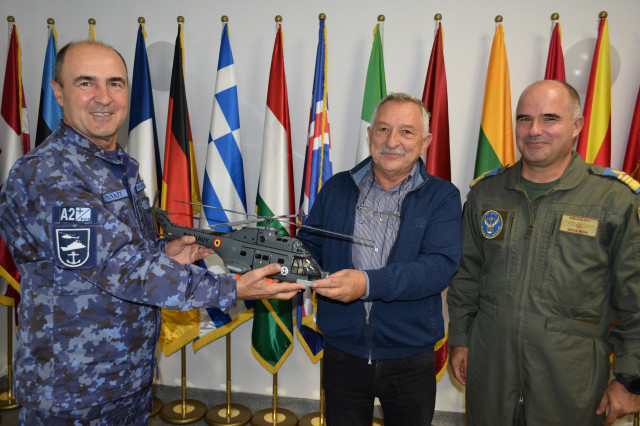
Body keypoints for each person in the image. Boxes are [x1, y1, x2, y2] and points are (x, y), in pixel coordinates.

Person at [0, 41, 304, 425]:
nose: (103, 97)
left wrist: (166, 252)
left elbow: (128, 250)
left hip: (128, 379)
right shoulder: (49, 174)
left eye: (115, 83)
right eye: (86, 83)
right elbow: (120, 267)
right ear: (58, 92)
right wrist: (233, 289)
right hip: (71, 391)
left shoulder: (120, 167)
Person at [447, 79, 640, 426]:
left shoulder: (613, 200)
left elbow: (635, 297)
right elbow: (466, 277)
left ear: (577, 125)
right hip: (491, 371)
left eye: (550, 118)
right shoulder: (486, 193)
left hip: (570, 380)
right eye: (524, 119)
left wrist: (629, 380)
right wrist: (460, 339)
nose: (534, 130)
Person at [297, 92, 462, 426]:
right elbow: (309, 248)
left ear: (425, 142)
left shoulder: (442, 196)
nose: (392, 141)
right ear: (370, 134)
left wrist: (367, 284)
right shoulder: (337, 187)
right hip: (343, 351)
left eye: (406, 132)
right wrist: (270, 256)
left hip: (409, 355)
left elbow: (438, 268)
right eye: (384, 129)